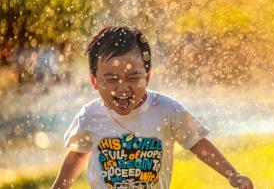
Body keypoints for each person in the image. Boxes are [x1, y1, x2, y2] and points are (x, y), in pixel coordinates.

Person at [52, 26, 253, 189]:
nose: (122, 88)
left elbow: (197, 143)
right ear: (94, 81)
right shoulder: (90, 115)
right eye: (111, 79)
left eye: (132, 77)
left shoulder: (166, 110)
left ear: (147, 77)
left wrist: (232, 174)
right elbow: (77, 155)